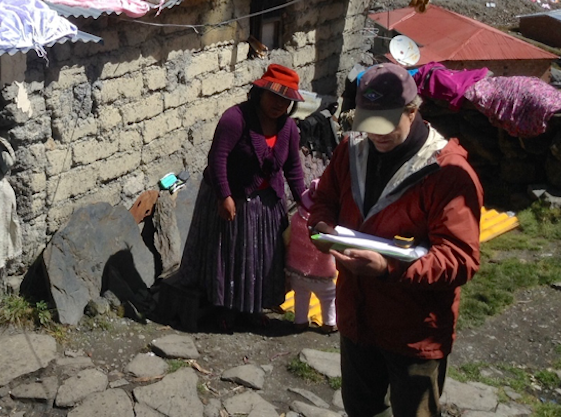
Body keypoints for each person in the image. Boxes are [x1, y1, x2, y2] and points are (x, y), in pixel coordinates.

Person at [309, 63, 482, 417]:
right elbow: (325, 197)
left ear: (412, 110)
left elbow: (460, 259)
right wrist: (323, 226)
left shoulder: (447, 173)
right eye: (369, 124)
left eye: (387, 124)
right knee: (362, 409)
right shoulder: (352, 149)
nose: (377, 135)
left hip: (414, 329)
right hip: (357, 317)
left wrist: (388, 268)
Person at [178, 63, 307, 333]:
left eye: (286, 100)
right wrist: (224, 195)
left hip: (267, 202)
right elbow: (218, 158)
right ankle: (225, 309)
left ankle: (253, 309)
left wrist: (306, 204)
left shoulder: (288, 129)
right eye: (274, 96)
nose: (279, 104)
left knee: (262, 258)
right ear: (260, 93)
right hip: (233, 198)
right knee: (231, 256)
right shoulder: (235, 119)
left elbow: (293, 169)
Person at [285, 179, 337, 334]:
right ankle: (329, 323)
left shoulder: (296, 219)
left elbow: (286, 238)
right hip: (322, 273)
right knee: (328, 297)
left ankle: (300, 321)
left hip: (297, 269)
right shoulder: (328, 226)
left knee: (301, 295)